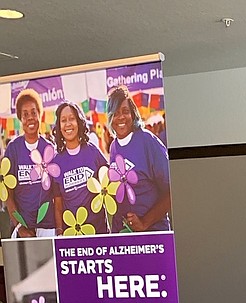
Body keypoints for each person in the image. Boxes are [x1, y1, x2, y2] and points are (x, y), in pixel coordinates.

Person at [106, 85, 171, 232]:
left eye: (125, 111)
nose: (121, 117)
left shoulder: (148, 141)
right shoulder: (114, 147)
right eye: (115, 113)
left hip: (153, 235)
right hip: (125, 237)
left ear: (133, 114)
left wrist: (144, 222)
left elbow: (172, 191)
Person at [2, 89, 57, 237]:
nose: (30, 118)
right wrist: (20, 227)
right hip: (22, 227)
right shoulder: (13, 149)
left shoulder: (49, 148)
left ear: (40, 115)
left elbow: (57, 192)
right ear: (20, 118)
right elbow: (8, 194)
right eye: (25, 114)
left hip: (48, 227)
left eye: (34, 112)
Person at [51, 101, 108, 235]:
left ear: (79, 122)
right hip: (72, 234)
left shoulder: (92, 151)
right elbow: (58, 204)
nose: (68, 124)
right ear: (59, 127)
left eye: (72, 119)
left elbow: (109, 180)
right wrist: (59, 231)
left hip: (98, 231)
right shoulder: (56, 162)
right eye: (63, 120)